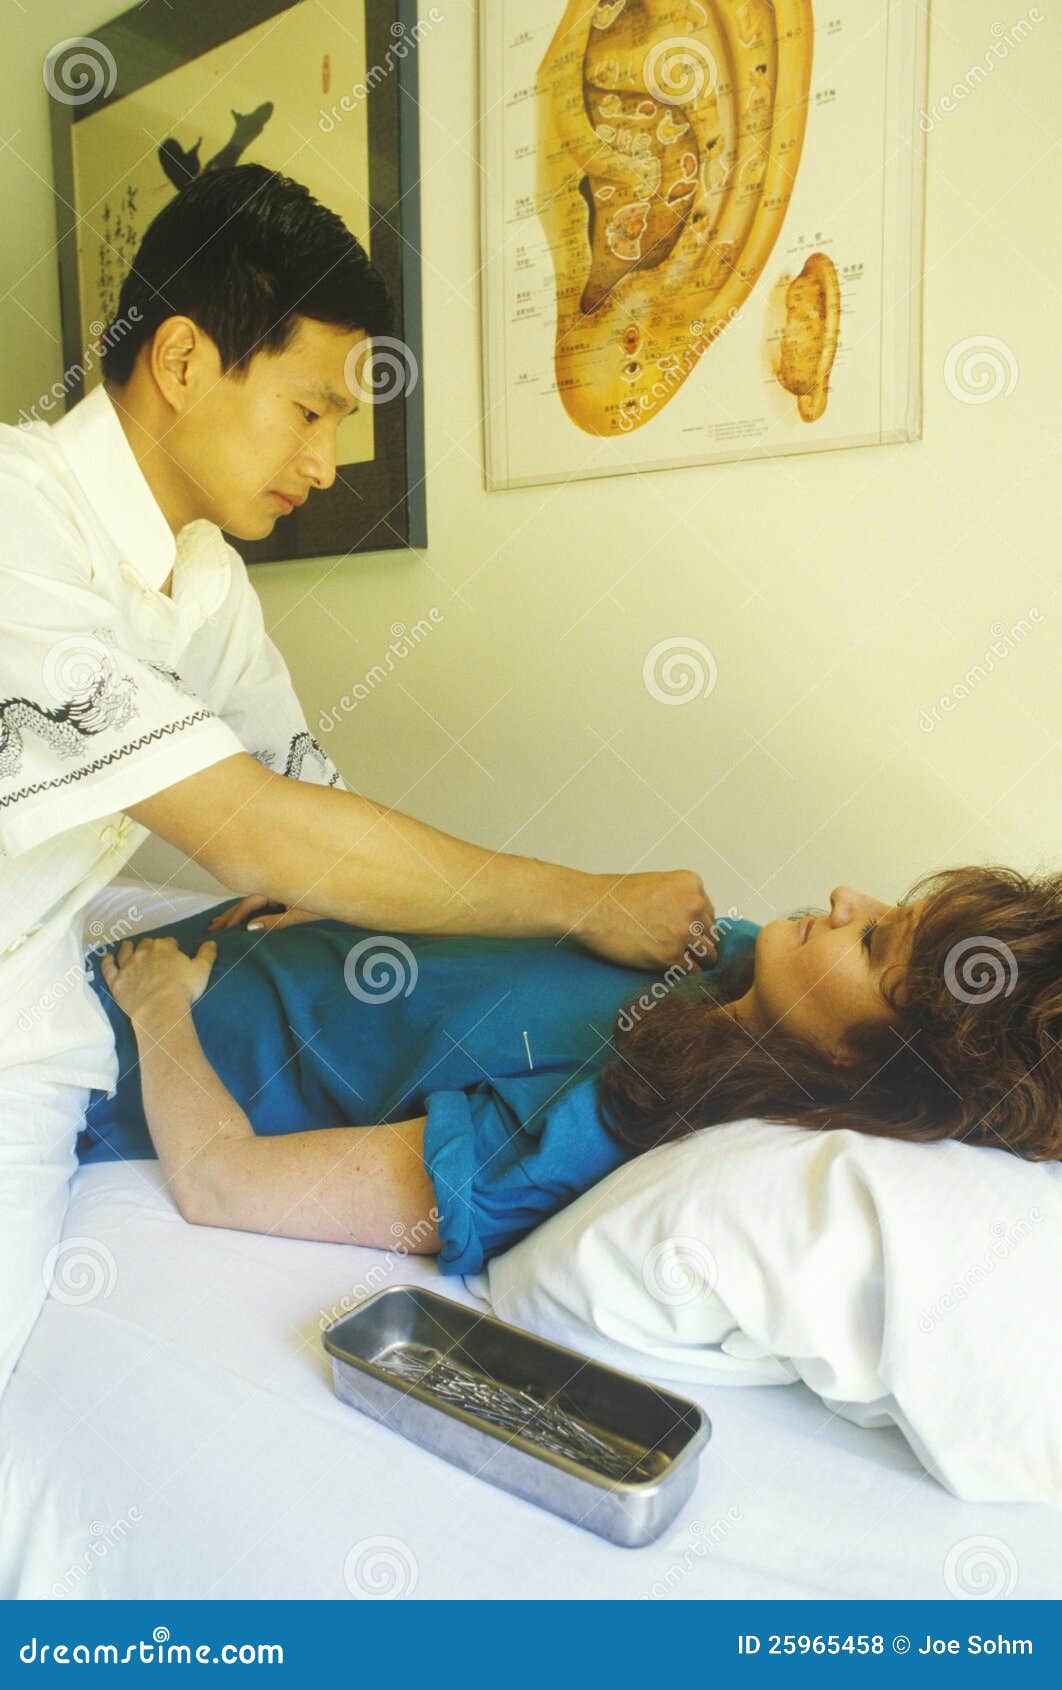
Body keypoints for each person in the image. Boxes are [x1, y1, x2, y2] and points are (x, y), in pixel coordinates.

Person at [0, 163, 711, 1400]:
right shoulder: (19, 522)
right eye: (310, 410)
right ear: (181, 361)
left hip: (33, 1012)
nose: (325, 462)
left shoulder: (203, 581)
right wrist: (580, 899)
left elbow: (306, 804)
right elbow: (253, 831)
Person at [86, 864, 1061, 1277]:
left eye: (879, 938)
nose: (851, 894)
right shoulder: (737, 959)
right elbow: (512, 933)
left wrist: (158, 1006)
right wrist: (351, 902)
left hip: (105, 1055)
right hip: (193, 950)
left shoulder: (603, 1125)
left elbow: (224, 1179)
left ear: (863, 1060)